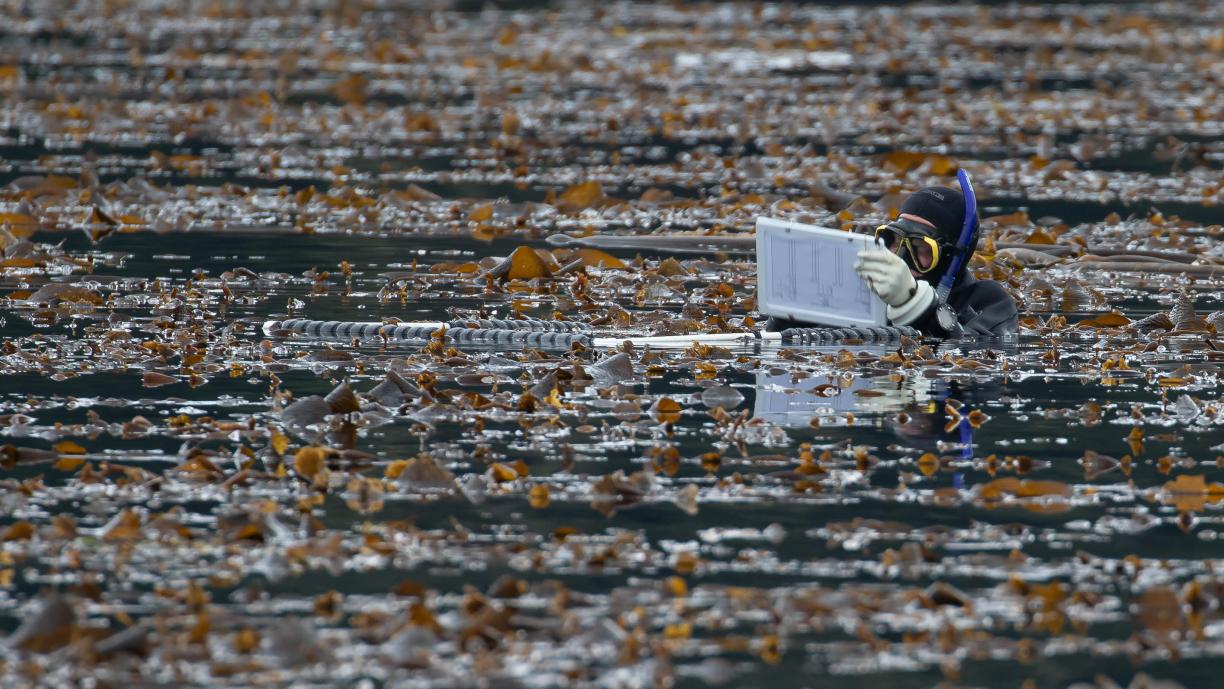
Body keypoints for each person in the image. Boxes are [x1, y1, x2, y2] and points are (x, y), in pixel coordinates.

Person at [766, 182, 1018, 338]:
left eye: (921, 248)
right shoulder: (861, 291)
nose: (902, 258)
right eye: (894, 240)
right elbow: (779, 339)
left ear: (952, 258)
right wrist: (794, 305)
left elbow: (972, 352)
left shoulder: (989, 301)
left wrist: (912, 302)